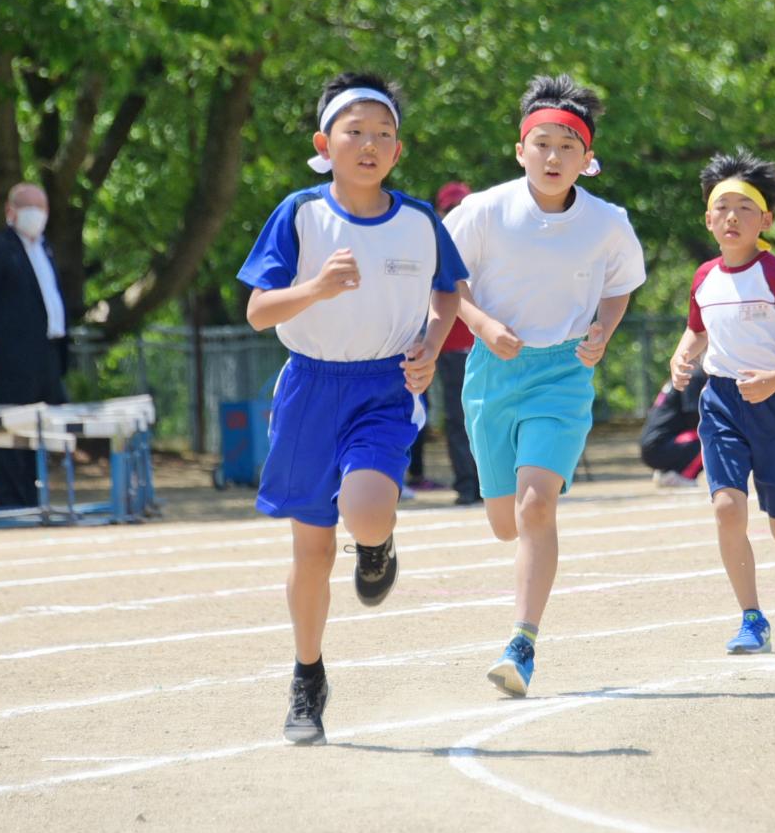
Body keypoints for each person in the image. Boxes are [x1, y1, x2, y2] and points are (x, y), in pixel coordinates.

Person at [238, 72, 465, 744]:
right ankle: (308, 676)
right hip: (310, 386)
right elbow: (257, 310)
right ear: (324, 143)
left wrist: (430, 341)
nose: (369, 144)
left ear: (399, 149)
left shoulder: (421, 219)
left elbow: (449, 291)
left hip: (384, 385)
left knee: (365, 507)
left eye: (383, 134)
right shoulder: (301, 213)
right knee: (311, 551)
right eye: (355, 131)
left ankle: (376, 543)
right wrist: (315, 286)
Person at [448, 75, 647, 697]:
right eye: (543, 143)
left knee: (538, 505)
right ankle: (521, 611)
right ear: (520, 150)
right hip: (492, 370)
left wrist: (603, 332)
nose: (554, 157)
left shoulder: (608, 223)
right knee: (506, 523)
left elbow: (621, 286)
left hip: (563, 372)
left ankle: (522, 642)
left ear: (588, 160)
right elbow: (446, 279)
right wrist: (480, 322)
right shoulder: (482, 210)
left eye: (569, 145)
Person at [669, 152, 775, 653]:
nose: (732, 217)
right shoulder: (703, 278)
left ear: (765, 220)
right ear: (709, 220)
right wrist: (682, 356)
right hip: (720, 400)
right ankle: (752, 617)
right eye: (723, 208)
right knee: (726, 508)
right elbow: (697, 329)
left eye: (745, 208)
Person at [0, 182, 73, 510]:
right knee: (11, 431)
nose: (36, 215)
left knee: (40, 431)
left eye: (41, 208)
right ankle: (13, 504)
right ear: (11, 212)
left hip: (48, 355)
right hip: (12, 358)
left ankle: (35, 498)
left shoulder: (46, 249)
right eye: (29, 207)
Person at [412, 181, 480, 504]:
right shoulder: (430, 243)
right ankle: (468, 485)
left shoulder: (483, 238)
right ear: (440, 211)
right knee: (454, 417)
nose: (455, 214)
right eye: (450, 209)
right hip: (446, 344)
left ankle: (484, 484)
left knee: (480, 415)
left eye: (460, 208)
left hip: (478, 343)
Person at [639, 371, 706, 488]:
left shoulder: (681, 375)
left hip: (655, 445)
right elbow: (693, 416)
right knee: (711, 435)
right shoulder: (693, 376)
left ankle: (667, 472)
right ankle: (682, 476)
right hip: (660, 446)